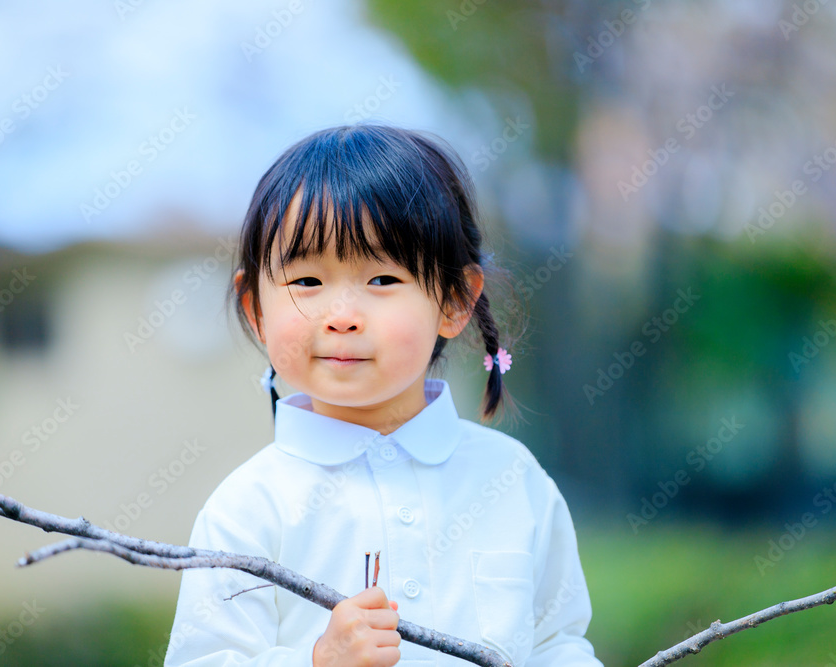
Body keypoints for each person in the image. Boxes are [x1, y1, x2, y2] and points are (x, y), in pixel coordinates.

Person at [163, 124, 602, 667]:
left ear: (455, 301)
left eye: (382, 280)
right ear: (256, 310)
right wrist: (318, 661)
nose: (342, 317)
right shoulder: (250, 508)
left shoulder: (512, 480)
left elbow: (558, 644)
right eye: (306, 281)